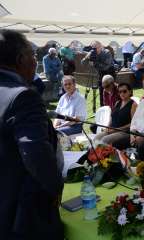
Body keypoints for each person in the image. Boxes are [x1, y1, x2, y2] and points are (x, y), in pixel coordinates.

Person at [0, 29, 63, 239]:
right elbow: (36, 155)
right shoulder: (23, 97)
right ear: (20, 59)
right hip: (22, 213)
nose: (36, 62)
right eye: (33, 56)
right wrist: (55, 189)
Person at [94, 83, 137, 149]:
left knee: (105, 140)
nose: (122, 93)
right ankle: (96, 155)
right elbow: (112, 117)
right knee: (96, 138)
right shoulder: (117, 103)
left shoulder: (133, 105)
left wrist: (116, 130)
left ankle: (105, 157)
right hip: (112, 129)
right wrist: (107, 127)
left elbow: (133, 124)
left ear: (130, 91)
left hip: (123, 131)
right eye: (120, 92)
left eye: (124, 91)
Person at [82, 41, 115, 106]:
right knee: (102, 92)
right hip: (100, 75)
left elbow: (106, 67)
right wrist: (86, 57)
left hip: (109, 75)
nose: (94, 49)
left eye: (95, 47)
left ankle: (111, 107)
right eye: (92, 47)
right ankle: (102, 108)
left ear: (101, 46)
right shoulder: (92, 52)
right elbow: (82, 63)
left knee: (110, 92)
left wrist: (95, 63)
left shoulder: (106, 52)